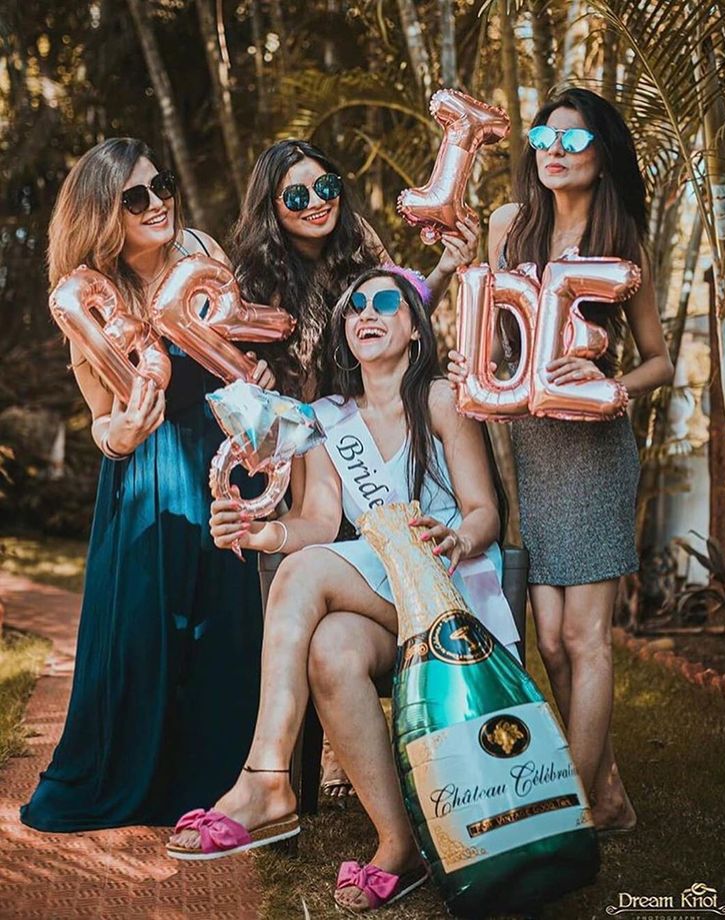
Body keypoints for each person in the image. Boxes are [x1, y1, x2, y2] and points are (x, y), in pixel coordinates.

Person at [167, 267, 519, 912]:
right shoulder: (327, 419)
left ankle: (267, 777)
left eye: (386, 301)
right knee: (332, 648)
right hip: (385, 593)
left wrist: (458, 539)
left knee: (309, 575)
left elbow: (483, 510)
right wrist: (259, 532)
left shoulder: (440, 398)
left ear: (415, 326)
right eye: (353, 306)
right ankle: (400, 843)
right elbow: (319, 524)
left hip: (451, 588)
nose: (367, 312)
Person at [21, 137, 273, 831]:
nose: (158, 202)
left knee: (223, 623)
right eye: (136, 197)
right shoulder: (88, 298)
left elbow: (238, 351)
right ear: (105, 213)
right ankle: (137, 780)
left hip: (219, 458)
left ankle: (220, 782)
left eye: (160, 185)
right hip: (146, 475)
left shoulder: (200, 249)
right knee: (143, 635)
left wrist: (257, 380)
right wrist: (123, 437)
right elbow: (102, 423)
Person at [448, 88, 674, 834]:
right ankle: (609, 795)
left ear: (602, 153)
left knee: (585, 636)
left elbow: (660, 364)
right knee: (548, 638)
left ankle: (570, 811)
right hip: (534, 454)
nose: (552, 148)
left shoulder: (622, 241)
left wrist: (611, 384)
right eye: (543, 134)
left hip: (596, 452)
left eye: (572, 139)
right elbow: (494, 334)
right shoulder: (509, 228)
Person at [231, 138, 479, 796]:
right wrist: (252, 378)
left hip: (370, 436)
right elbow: (235, 372)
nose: (315, 203)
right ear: (271, 209)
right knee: (299, 571)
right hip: (304, 446)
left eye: (325, 186)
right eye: (295, 195)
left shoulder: (361, 247)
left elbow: (397, 305)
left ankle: (290, 772)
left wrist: (449, 267)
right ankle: (302, 774)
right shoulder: (254, 278)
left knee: (317, 575)